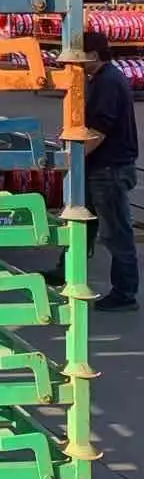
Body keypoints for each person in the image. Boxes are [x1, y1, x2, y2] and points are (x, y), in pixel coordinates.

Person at [81, 33, 140, 311]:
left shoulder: (108, 82)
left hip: (110, 169)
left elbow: (99, 129)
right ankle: (68, 269)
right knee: (83, 223)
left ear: (93, 55)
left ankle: (125, 293)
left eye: (78, 55)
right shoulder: (99, 78)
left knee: (116, 233)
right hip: (100, 166)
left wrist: (71, 158)